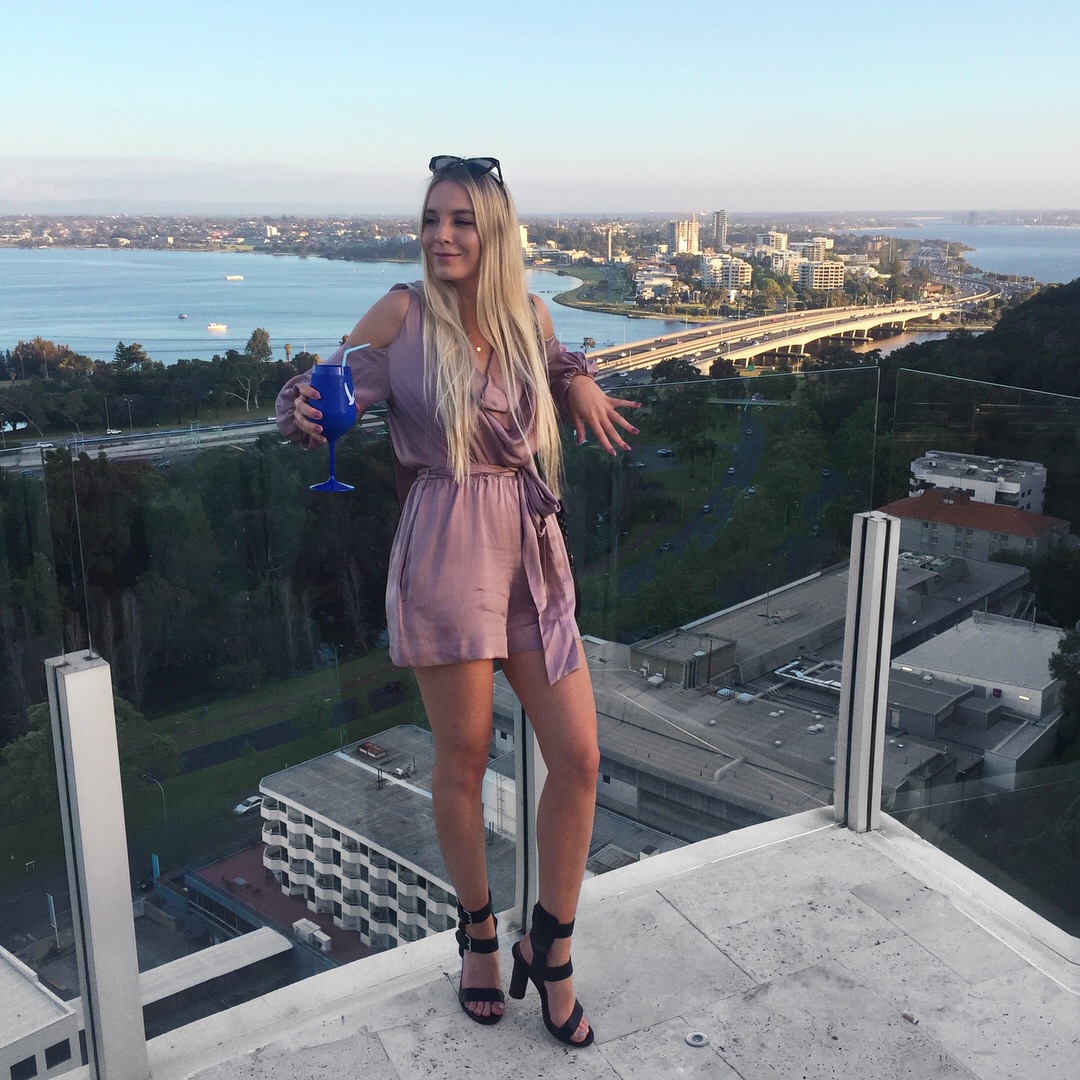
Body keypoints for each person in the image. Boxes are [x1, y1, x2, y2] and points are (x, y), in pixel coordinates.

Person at [276, 155, 639, 1047]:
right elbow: (329, 383)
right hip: (445, 549)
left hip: (530, 551)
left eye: (461, 220)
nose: (441, 235)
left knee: (580, 757)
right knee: (464, 759)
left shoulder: (531, 315)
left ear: (495, 232)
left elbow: (552, 359)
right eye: (431, 219)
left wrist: (577, 378)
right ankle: (478, 934)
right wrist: (305, 412)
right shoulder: (402, 313)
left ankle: (549, 944)